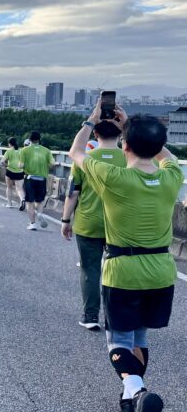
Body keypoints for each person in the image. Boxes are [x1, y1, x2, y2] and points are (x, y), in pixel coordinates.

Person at [70, 103, 182, 412]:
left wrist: (92, 120)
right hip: (161, 272)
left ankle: (137, 390)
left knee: (118, 339)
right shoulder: (171, 177)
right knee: (140, 337)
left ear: (125, 145)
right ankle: (130, 397)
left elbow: (76, 153)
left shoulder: (114, 177)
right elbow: (168, 157)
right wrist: (133, 127)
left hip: (123, 272)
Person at [62, 120, 124, 332]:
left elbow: (72, 193)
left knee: (90, 269)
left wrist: (65, 220)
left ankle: (90, 316)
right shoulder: (129, 159)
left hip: (88, 223)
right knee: (116, 272)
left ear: (95, 134)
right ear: (120, 134)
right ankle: (113, 318)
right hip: (120, 225)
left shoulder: (84, 159)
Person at [21, 131, 54, 230]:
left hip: (30, 178)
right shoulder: (46, 150)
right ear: (39, 139)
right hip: (42, 179)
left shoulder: (24, 150)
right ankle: (39, 213)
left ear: (30, 139)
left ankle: (33, 223)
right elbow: (52, 164)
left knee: (30, 202)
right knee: (39, 201)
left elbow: (20, 165)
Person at [1, 137, 25, 208]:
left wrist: (7, 165)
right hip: (20, 171)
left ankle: (9, 203)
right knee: (20, 189)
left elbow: (2, 161)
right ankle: (22, 200)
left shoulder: (9, 151)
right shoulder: (21, 151)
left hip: (10, 171)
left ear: (9, 144)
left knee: (9, 188)